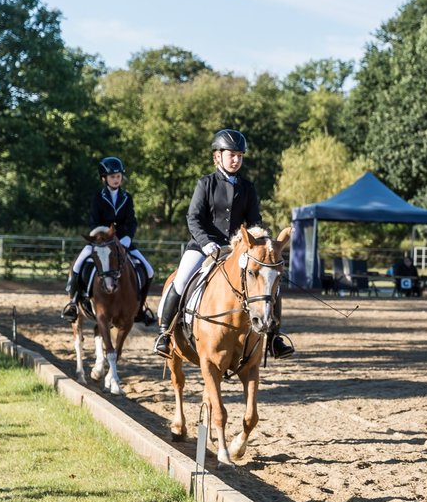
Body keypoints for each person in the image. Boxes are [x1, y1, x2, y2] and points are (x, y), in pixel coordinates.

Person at [153, 129, 295, 358]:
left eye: (240, 155)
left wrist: (260, 241)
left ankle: (274, 338)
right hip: (203, 247)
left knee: (269, 285)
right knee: (180, 281)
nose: (236, 159)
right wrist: (206, 242)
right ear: (218, 156)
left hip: (237, 250)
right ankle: (164, 334)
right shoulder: (205, 183)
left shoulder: (248, 187)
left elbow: (254, 221)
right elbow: (193, 218)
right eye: (232, 155)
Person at [61, 156, 155, 323]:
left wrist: (127, 238)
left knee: (148, 270)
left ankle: (140, 309)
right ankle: (74, 303)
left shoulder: (127, 198)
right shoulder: (98, 197)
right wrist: (101, 236)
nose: (116, 179)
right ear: (104, 178)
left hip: (123, 241)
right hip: (101, 242)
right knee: (78, 265)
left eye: (118, 176)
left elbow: (131, 221)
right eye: (112, 177)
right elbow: (93, 221)